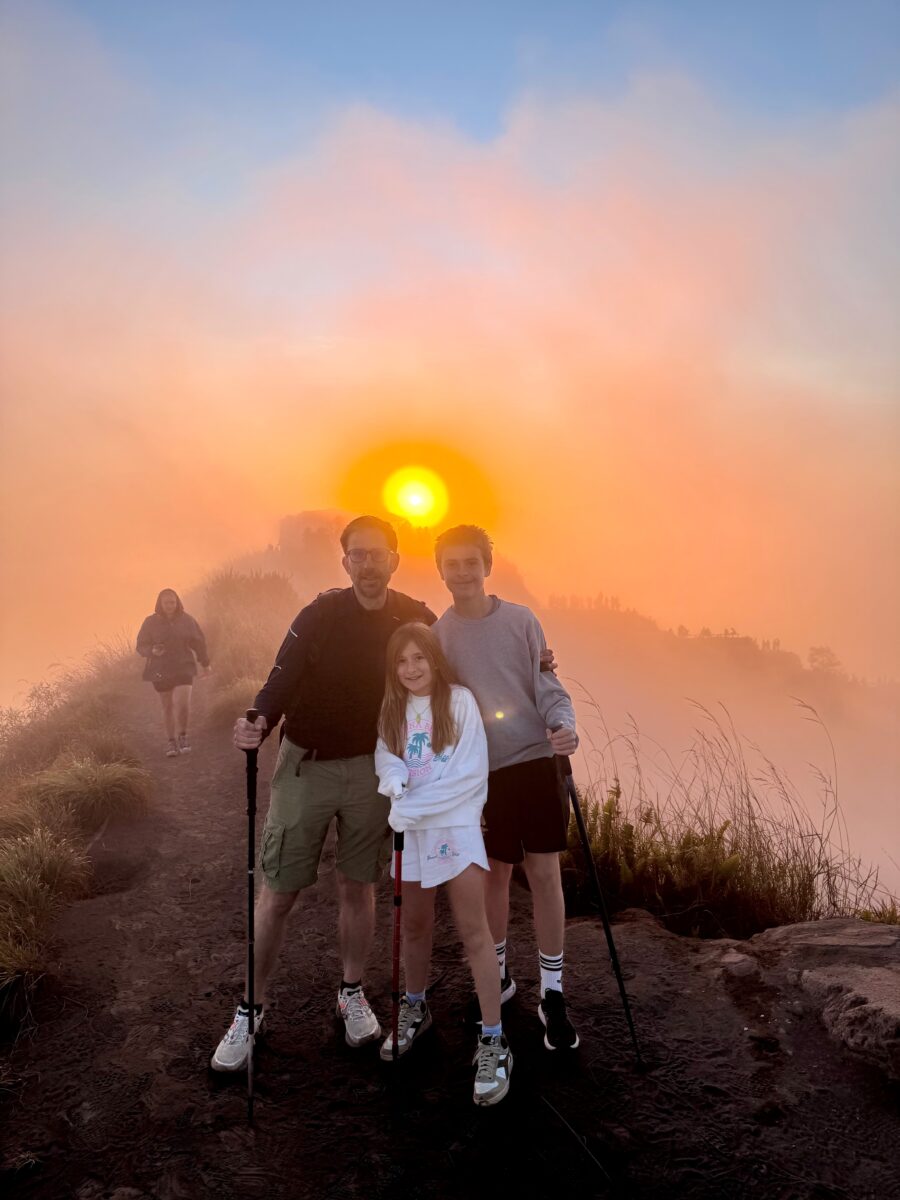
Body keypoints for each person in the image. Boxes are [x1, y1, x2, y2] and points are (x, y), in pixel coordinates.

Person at [211, 516, 436, 1072]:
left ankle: (351, 992)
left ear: (395, 560)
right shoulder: (319, 615)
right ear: (345, 562)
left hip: (372, 769)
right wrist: (258, 720)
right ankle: (250, 1009)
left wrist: (536, 663)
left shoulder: (413, 617)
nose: (369, 563)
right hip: (306, 766)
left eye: (378, 554)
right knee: (279, 892)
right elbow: (280, 679)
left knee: (358, 886)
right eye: (358, 554)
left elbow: (455, 657)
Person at [432, 525, 581, 1050]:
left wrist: (564, 725)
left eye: (471, 562)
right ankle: (496, 978)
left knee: (543, 873)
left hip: (537, 762)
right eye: (452, 564)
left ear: (488, 566)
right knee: (494, 876)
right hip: (482, 775)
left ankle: (552, 993)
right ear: (440, 570)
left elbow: (548, 686)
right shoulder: (439, 636)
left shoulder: (522, 621)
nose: (462, 572)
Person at [374, 622, 512, 1106]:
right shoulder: (393, 706)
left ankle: (494, 1039)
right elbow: (386, 754)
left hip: (453, 825)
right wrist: (393, 780)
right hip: (411, 830)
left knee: (474, 931)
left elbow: (469, 775)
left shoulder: (459, 702)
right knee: (414, 925)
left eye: (419, 658)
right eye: (401, 661)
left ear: (434, 659)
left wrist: (412, 806)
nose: (411, 669)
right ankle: (415, 1008)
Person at [136, 588, 210, 757]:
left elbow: (199, 642)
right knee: (167, 705)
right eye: (166, 602)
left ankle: (183, 736)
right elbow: (140, 645)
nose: (170, 605)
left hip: (184, 666)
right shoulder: (150, 622)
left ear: (177, 603)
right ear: (160, 604)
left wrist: (205, 662)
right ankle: (171, 741)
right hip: (160, 669)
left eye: (172, 602)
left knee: (183, 703)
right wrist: (152, 650)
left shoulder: (187, 620)